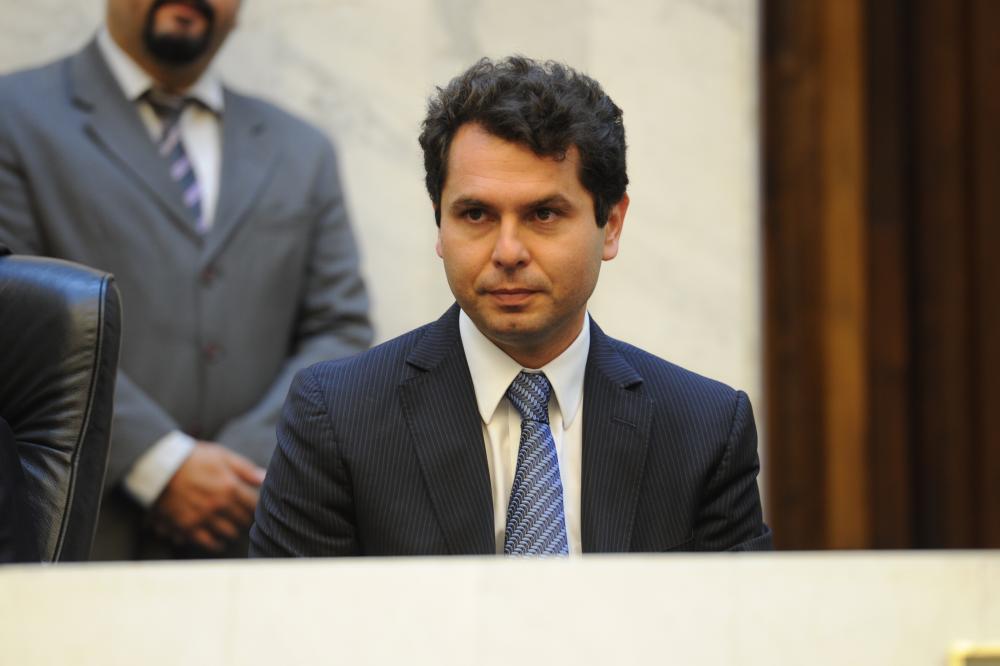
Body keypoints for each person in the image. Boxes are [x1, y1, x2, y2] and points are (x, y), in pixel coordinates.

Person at [250, 56, 771, 557]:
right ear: (439, 225)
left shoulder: (705, 430)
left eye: (543, 214)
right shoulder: (337, 418)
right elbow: (290, 617)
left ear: (611, 225)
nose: (507, 252)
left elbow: (738, 618)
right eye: (476, 214)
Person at [0, 0, 372, 559]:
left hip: (257, 532)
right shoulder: (12, 117)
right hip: (81, 536)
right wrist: (162, 463)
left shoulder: (302, 149)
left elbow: (339, 329)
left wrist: (247, 463)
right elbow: (11, 316)